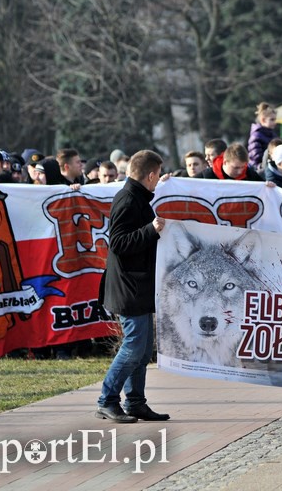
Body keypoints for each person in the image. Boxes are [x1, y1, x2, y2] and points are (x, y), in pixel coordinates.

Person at [96, 149, 170, 423]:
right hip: (128, 287)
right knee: (134, 347)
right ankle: (107, 400)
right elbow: (118, 244)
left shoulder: (137, 197)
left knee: (142, 348)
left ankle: (136, 402)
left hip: (138, 285)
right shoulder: (128, 200)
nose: (158, 180)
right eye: (158, 175)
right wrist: (150, 230)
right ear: (150, 175)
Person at [199, 142, 264, 182]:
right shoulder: (207, 176)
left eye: (243, 167)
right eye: (236, 168)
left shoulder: (250, 174)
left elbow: (265, 187)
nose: (240, 171)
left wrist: (268, 186)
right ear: (225, 162)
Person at [248, 102, 279, 170]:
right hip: (258, 168)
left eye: (275, 119)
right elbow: (256, 156)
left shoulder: (272, 135)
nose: (275, 122)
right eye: (272, 119)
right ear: (263, 120)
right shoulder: (256, 135)